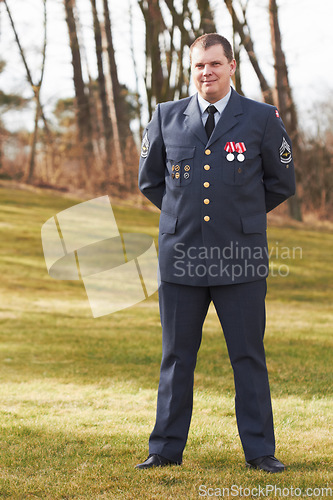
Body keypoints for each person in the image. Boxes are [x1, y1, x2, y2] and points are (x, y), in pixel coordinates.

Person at [136, 33, 295, 473]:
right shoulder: (166, 116)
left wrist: (238, 217)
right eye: (199, 66)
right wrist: (186, 219)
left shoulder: (261, 119)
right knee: (175, 358)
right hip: (181, 257)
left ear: (231, 67)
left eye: (214, 64)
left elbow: (282, 182)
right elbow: (150, 182)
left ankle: (261, 452)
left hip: (240, 259)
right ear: (193, 70)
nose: (206, 72)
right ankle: (164, 450)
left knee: (247, 357)